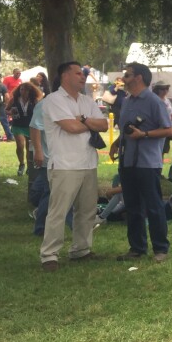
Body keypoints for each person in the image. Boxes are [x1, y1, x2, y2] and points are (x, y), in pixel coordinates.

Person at [38, 61, 108, 271]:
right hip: (65, 164)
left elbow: (104, 125)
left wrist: (83, 119)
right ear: (64, 76)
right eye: (78, 73)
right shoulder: (53, 100)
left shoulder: (87, 101)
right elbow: (70, 127)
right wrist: (87, 122)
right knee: (58, 212)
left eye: (83, 73)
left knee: (86, 211)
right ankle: (49, 255)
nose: (83, 76)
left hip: (88, 163)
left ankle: (81, 250)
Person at [109, 63, 172, 263]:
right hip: (128, 161)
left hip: (148, 163)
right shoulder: (127, 101)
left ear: (138, 78)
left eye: (126, 75)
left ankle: (160, 249)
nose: (123, 78)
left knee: (153, 206)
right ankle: (137, 248)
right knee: (132, 205)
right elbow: (126, 128)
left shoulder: (155, 102)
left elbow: (169, 130)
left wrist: (144, 134)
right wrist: (117, 142)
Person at [7, 81, 41, 176]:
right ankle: (21, 164)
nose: (23, 92)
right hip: (17, 125)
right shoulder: (14, 100)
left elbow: (39, 112)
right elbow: (6, 110)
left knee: (29, 147)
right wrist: (10, 112)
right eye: (22, 89)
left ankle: (29, 166)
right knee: (20, 145)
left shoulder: (34, 100)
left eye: (26, 90)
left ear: (30, 91)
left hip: (30, 126)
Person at [152, 80, 172, 161]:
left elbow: (171, 114)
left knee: (163, 149)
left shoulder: (166, 100)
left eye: (166, 89)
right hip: (157, 127)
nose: (165, 91)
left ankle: (160, 167)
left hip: (167, 127)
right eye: (162, 89)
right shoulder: (153, 100)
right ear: (157, 90)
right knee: (157, 149)